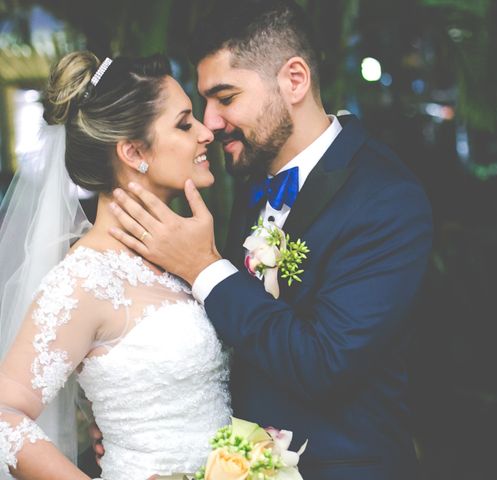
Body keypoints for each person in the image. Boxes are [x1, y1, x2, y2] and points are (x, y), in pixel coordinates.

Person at [107, 1, 433, 478]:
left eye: (225, 97)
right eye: (204, 103)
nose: (210, 123)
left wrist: (204, 268)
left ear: (294, 80)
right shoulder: (251, 185)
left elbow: (323, 365)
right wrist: (141, 422)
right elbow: (240, 343)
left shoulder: (386, 199)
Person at [0, 51, 231, 479]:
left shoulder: (181, 255)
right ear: (132, 151)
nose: (206, 133)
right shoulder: (85, 278)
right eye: (184, 124)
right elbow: (4, 414)